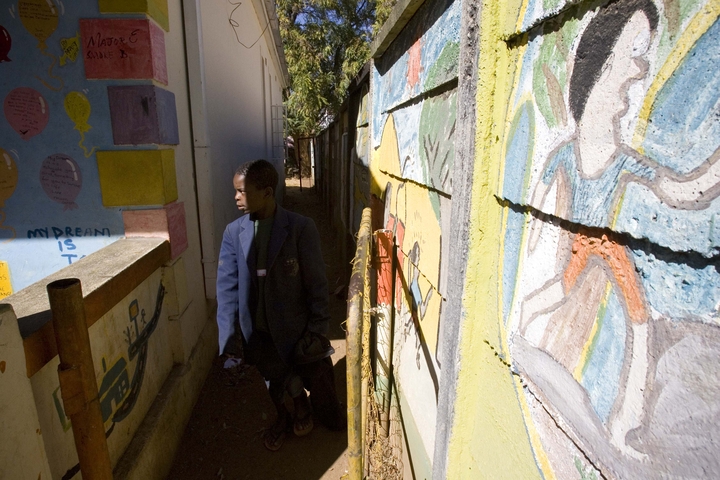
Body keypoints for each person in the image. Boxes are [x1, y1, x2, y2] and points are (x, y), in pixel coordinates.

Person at [216, 159, 339, 451]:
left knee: (306, 376)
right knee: (272, 378)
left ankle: (308, 409)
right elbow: (227, 289)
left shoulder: (299, 228)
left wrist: (318, 329)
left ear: (267, 192)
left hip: (295, 328)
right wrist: (229, 343)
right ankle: (284, 416)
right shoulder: (234, 233)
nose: (235, 197)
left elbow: (317, 285)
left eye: (242, 191)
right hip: (257, 331)